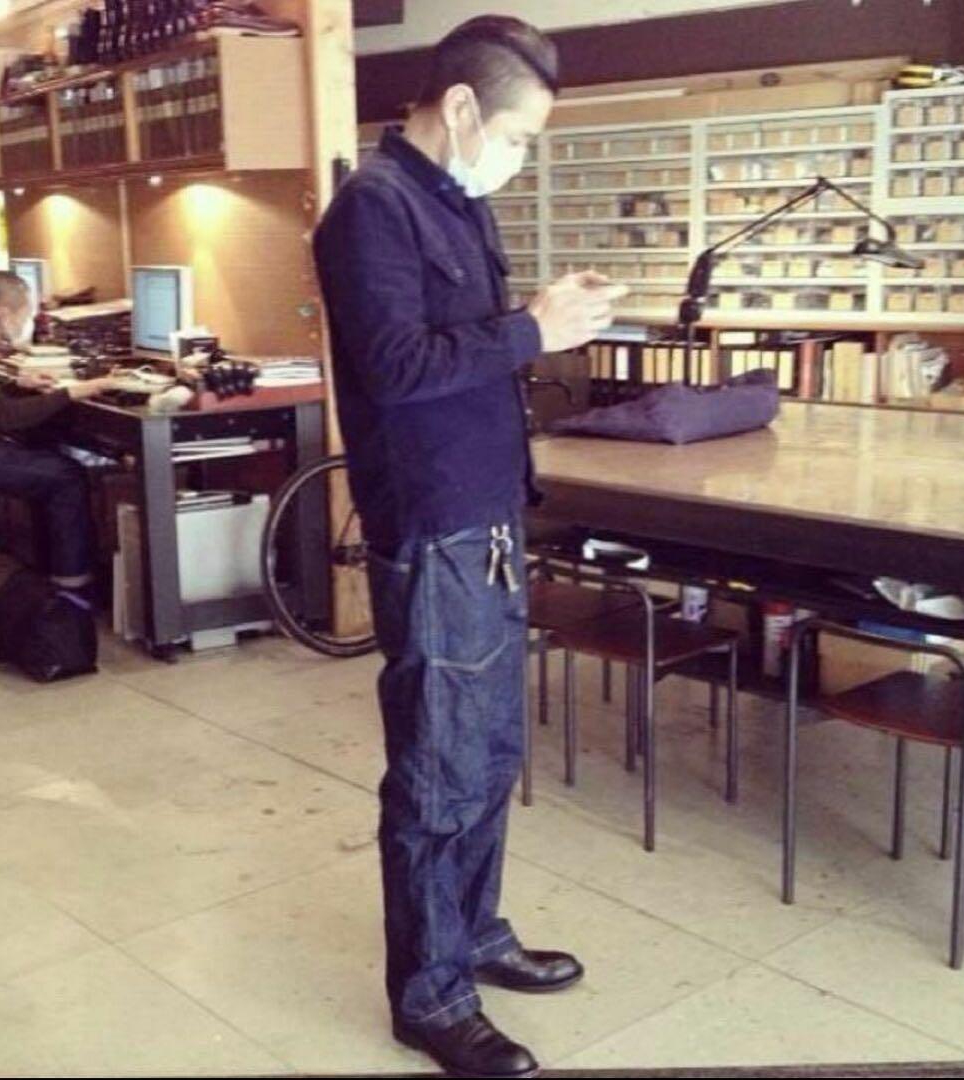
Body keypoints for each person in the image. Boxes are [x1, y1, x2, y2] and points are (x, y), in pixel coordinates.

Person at [314, 16, 624, 1079]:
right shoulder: (372, 209)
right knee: (437, 773)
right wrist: (534, 327)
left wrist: (544, 323)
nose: (519, 156)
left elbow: (469, 354)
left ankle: (474, 931)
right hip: (433, 527)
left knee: (489, 755)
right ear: (459, 108)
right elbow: (398, 367)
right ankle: (430, 995)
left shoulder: (455, 201)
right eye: (519, 135)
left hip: (485, 517)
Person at [0, 271, 117, 600]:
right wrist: (73, 392)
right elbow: (4, 416)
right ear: (3, 315)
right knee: (65, 476)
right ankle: (72, 589)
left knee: (45, 455)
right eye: (25, 315)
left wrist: (16, 384)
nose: (26, 324)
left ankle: (54, 571)